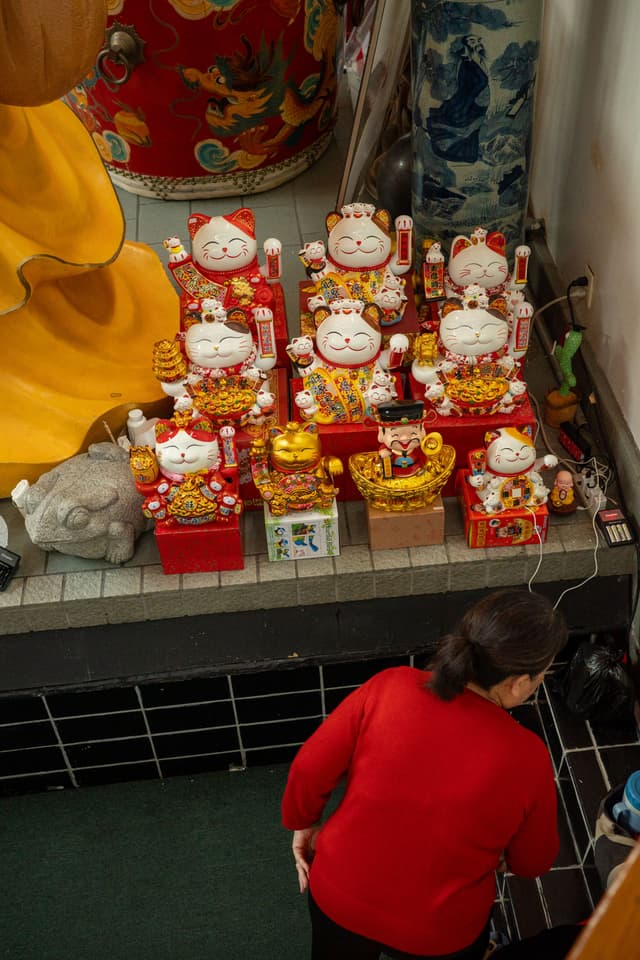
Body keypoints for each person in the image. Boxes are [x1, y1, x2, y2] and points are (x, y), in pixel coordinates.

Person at [281, 589, 568, 960]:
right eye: (541, 675)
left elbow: (308, 768)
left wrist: (303, 822)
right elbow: (534, 863)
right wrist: (503, 856)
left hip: (339, 895)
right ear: (517, 682)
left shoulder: (390, 685)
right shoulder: (529, 756)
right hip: (441, 932)